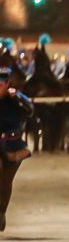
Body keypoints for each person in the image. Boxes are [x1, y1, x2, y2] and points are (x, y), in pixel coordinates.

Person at [0, 67, 32, 232]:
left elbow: (30, 110)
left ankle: (2, 211)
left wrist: (17, 99)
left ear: (7, 83)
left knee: (6, 182)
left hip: (12, 144)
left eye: (2, 82)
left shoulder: (17, 98)